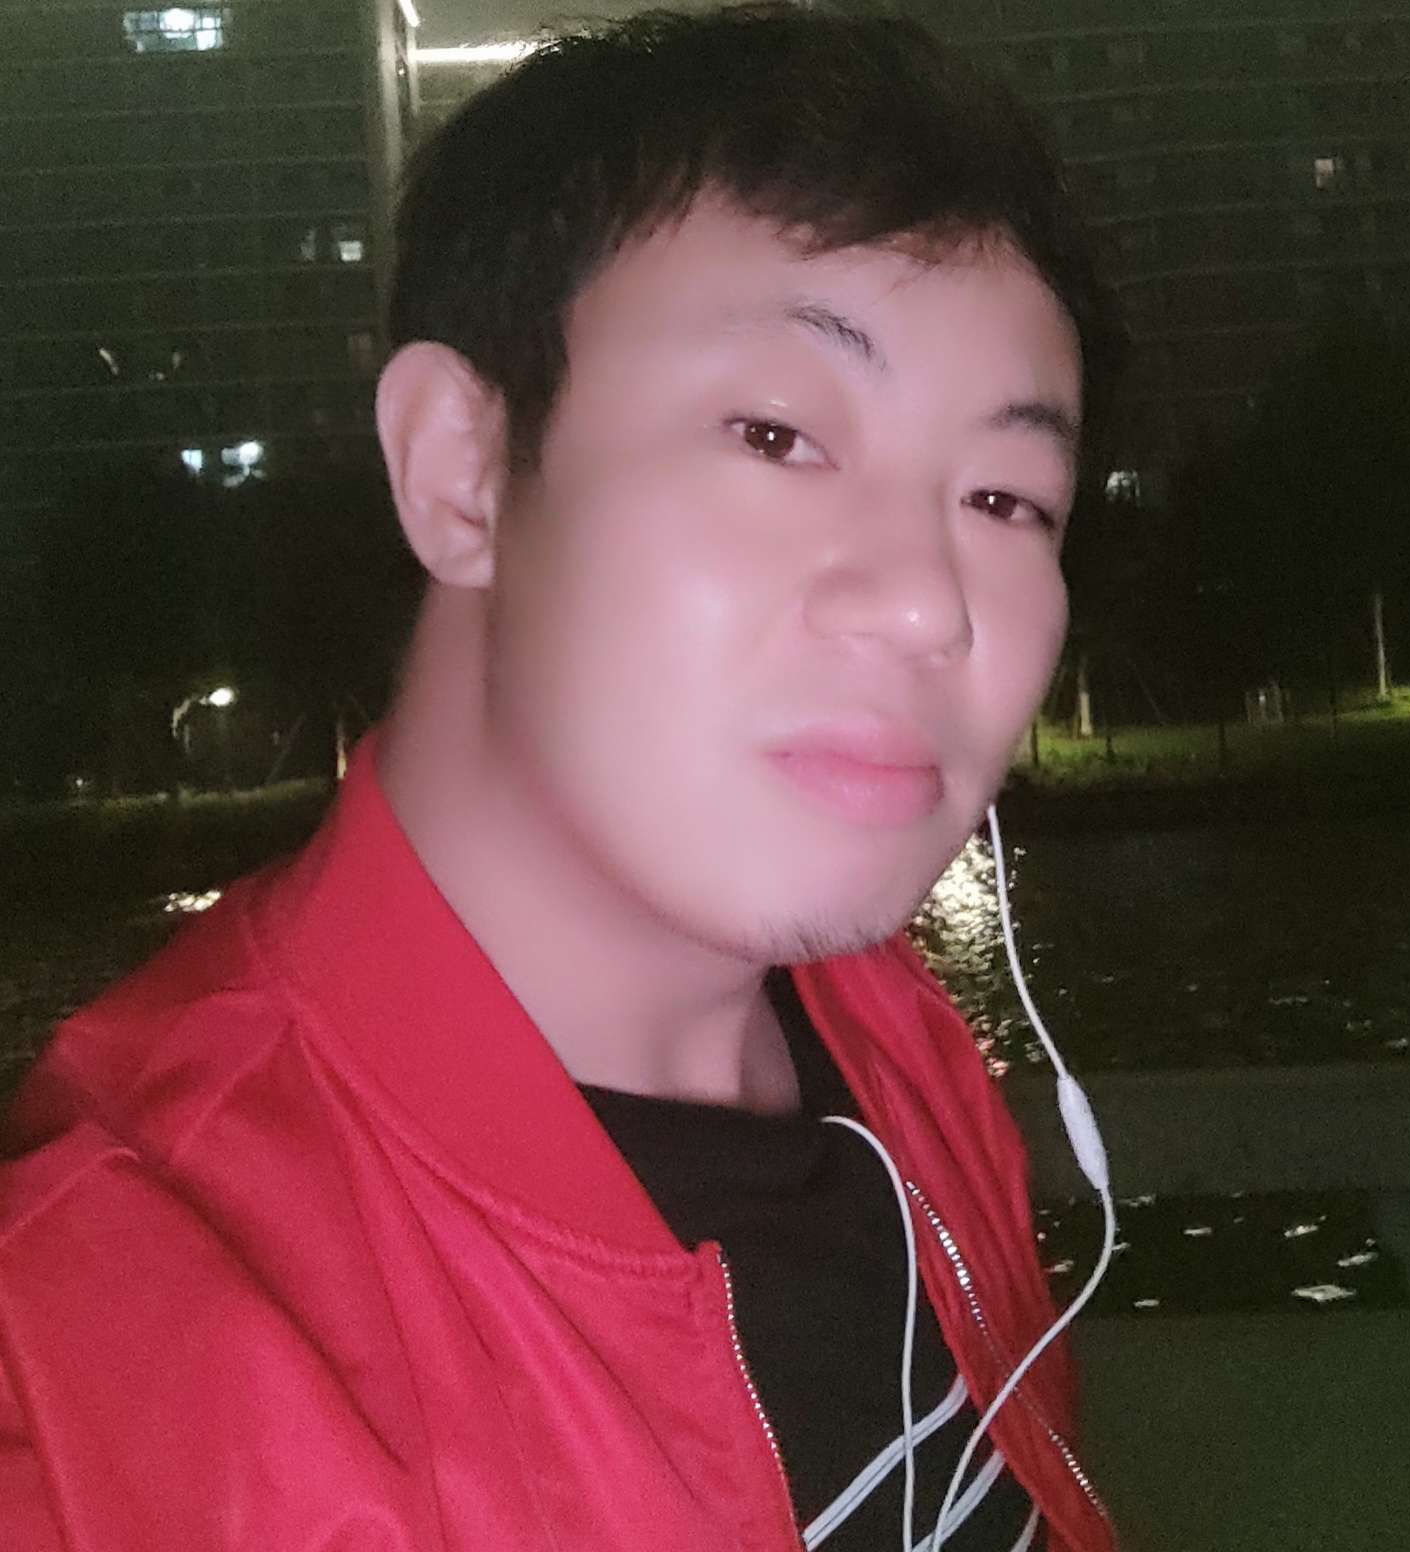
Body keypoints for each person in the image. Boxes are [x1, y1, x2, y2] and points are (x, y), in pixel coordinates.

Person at [0, 6, 1123, 1548]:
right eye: (777, 434)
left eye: (1006, 496)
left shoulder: (893, 1036)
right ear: (461, 469)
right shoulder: (100, 1366)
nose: (931, 601)